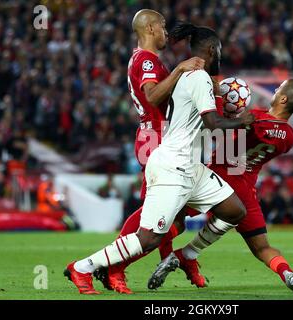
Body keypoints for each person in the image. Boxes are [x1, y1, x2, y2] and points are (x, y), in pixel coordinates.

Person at [64, 21, 255, 295]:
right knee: (150, 234)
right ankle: (87, 267)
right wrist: (241, 120)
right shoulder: (167, 67)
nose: (167, 31)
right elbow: (202, 118)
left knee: (228, 211)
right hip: (167, 154)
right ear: (213, 50)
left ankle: (183, 257)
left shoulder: (185, 74)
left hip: (186, 160)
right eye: (163, 27)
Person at [67, 9, 205, 294]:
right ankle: (110, 266)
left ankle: (152, 262)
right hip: (156, 139)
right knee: (154, 216)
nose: (167, 32)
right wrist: (180, 70)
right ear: (152, 28)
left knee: (171, 217)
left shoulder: (148, 59)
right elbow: (154, 95)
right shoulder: (145, 60)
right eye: (164, 27)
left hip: (160, 138)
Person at [148, 78, 293, 293]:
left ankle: (133, 257)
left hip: (217, 179)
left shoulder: (254, 120)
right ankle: (288, 274)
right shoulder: (290, 137)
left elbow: (220, 128)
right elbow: (268, 133)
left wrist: (222, 107)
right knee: (262, 247)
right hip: (246, 190)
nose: (275, 88)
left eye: (279, 88)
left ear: (283, 98)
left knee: (172, 220)